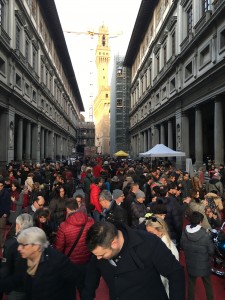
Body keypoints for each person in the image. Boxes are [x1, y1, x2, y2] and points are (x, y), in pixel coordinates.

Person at [82, 221, 185, 300]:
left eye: (102, 254)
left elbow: (175, 272)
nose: (98, 258)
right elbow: (90, 281)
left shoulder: (149, 242)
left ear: (114, 243)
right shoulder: (99, 253)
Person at [0, 227, 82, 300]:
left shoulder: (57, 261)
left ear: (36, 246)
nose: (19, 248)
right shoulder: (25, 258)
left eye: (23, 245)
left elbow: (76, 279)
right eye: (19, 244)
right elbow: (18, 278)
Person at [54, 198, 94, 299]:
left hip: (71, 263)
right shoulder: (90, 221)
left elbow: (58, 248)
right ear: (77, 207)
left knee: (69, 289)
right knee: (86, 288)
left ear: (67, 209)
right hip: (88, 261)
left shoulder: (64, 226)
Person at [181, 211, 215, 300]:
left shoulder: (185, 231)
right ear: (200, 221)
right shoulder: (205, 234)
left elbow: (182, 246)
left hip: (190, 263)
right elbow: (211, 251)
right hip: (204, 264)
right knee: (207, 284)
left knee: (191, 284)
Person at [0, 214, 33, 300]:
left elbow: (5, 268)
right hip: (32, 285)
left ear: (18, 226)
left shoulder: (11, 243)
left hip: (16, 288)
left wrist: (4, 287)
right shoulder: (37, 240)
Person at [145, 215, 179, 298]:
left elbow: (166, 278)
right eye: (147, 232)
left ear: (161, 231)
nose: (147, 236)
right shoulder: (156, 243)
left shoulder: (169, 250)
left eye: (151, 233)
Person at [0, 180, 11, 248]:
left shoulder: (6, 193)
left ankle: (1, 244)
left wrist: (6, 213)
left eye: (1, 186)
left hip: (2, 214)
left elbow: (8, 204)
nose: (0, 187)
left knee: (1, 230)